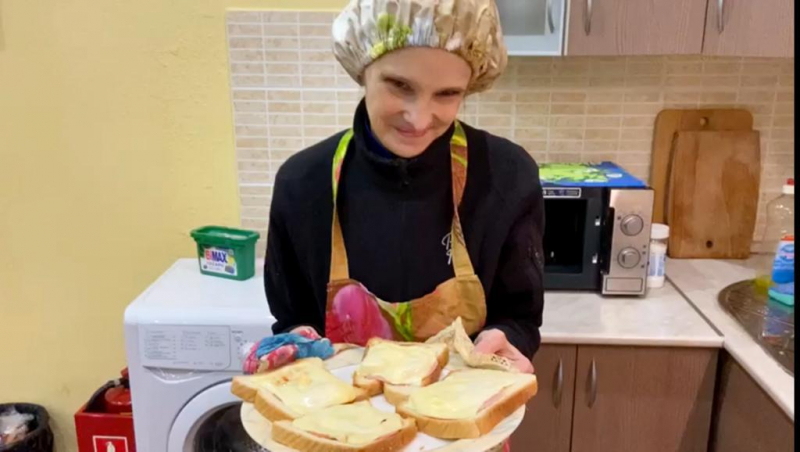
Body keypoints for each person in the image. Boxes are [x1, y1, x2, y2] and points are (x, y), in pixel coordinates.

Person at [264, 0, 544, 374]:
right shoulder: (302, 184)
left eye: (447, 94)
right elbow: (292, 319)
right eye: (399, 85)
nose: (419, 118)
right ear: (362, 69)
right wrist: (293, 346)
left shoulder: (507, 176)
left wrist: (508, 340)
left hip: (466, 408)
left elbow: (520, 316)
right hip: (342, 410)